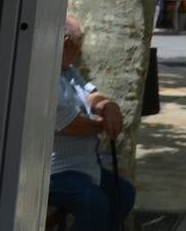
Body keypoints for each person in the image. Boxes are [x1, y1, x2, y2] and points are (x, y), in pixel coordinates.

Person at [49, 17, 135, 230]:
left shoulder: (67, 70)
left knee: (123, 193)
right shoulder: (47, 75)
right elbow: (70, 124)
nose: (80, 51)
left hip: (85, 166)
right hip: (56, 171)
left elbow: (90, 94)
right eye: (79, 43)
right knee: (93, 202)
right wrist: (103, 125)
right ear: (67, 41)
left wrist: (108, 107)